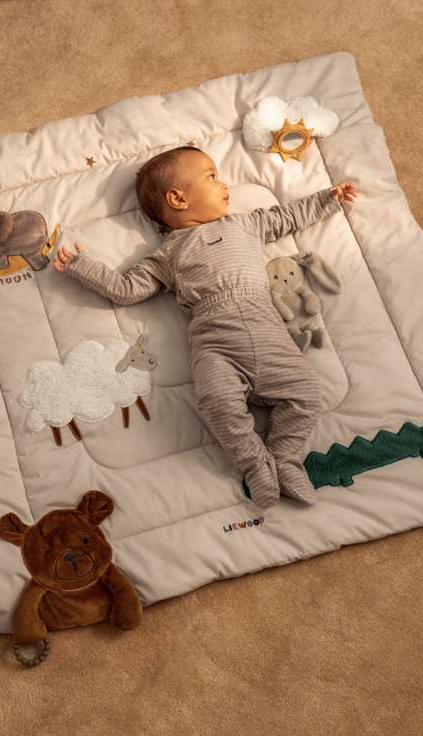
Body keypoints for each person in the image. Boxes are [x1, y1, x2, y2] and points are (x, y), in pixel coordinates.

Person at [53, 145, 357, 508]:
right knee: (216, 402)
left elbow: (287, 217)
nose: (224, 184)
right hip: (215, 344)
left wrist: (329, 199)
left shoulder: (245, 224)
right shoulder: (168, 255)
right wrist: (82, 266)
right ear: (178, 198)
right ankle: (254, 464)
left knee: (307, 393)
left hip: (269, 334)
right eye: (212, 177)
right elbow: (126, 289)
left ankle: (285, 457)